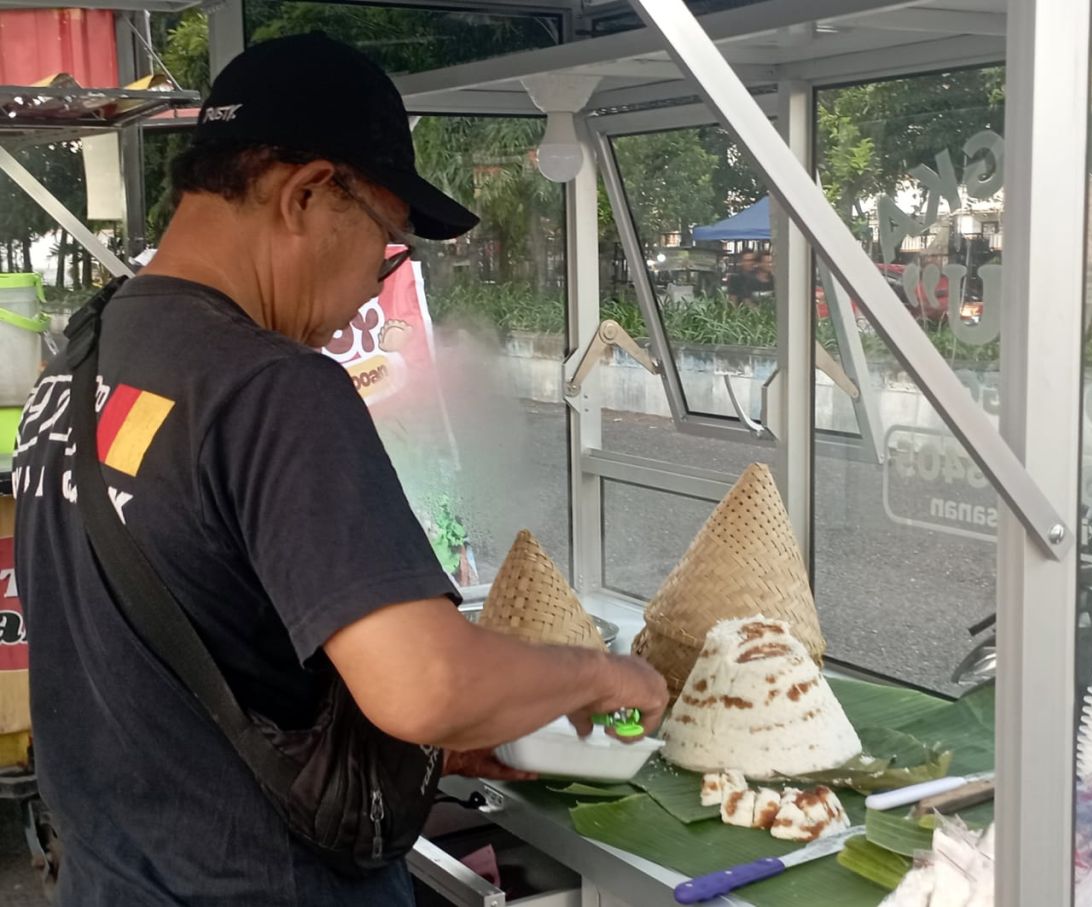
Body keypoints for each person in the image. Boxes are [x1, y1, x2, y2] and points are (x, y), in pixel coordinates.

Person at [12, 34, 667, 907]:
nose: (376, 281)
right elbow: (425, 683)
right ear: (309, 194)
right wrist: (597, 675)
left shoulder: (83, 356)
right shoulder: (274, 388)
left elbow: (177, 641)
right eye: (389, 240)